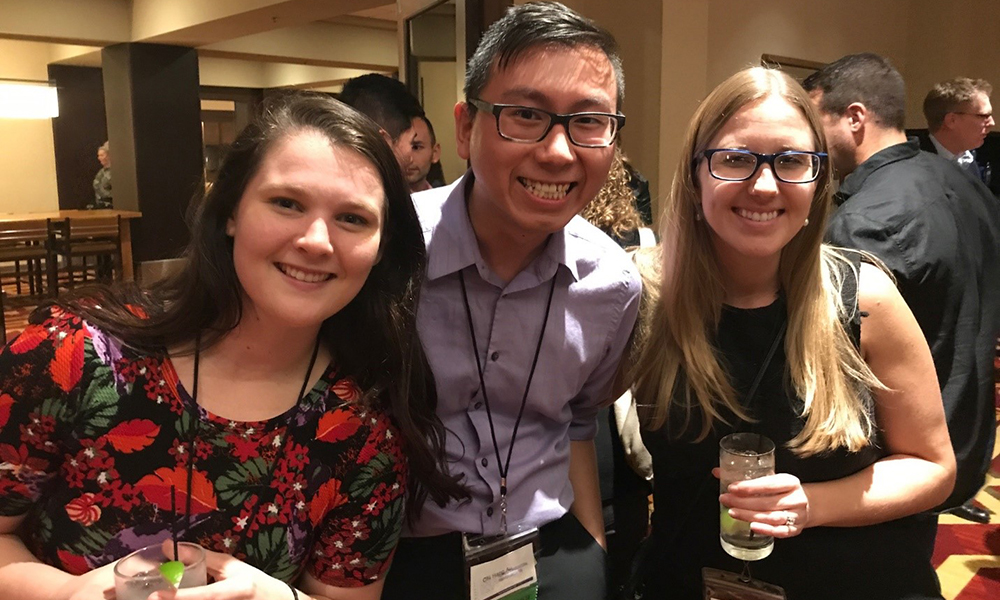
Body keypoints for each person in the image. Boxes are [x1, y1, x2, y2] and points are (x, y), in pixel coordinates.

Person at [0, 93, 467, 600]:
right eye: (287, 203)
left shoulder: (361, 434)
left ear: (380, 249)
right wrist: (68, 595)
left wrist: (276, 597)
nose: (316, 239)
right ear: (230, 214)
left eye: (352, 218)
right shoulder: (70, 357)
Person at [628, 67, 955, 600]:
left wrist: (812, 504)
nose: (763, 185)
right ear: (694, 177)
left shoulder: (864, 296)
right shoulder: (643, 296)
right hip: (685, 580)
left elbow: (933, 466)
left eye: (791, 162)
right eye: (735, 159)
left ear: (820, 179)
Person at [381, 3, 640, 600]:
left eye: (588, 122)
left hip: (550, 542)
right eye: (525, 115)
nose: (557, 152)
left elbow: (578, 423)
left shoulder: (614, 286)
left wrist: (592, 554)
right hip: (398, 554)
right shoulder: (385, 255)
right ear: (466, 128)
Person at [802, 54, 1000, 525]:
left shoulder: (865, 221)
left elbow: (845, 369)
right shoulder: (968, 185)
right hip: (969, 432)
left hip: (899, 459)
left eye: (813, 122)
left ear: (855, 118)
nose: (806, 140)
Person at [917, 77, 997, 193]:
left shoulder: (985, 157)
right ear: (951, 120)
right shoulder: (913, 166)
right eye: (982, 116)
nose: (992, 123)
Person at [401, 115, 443, 193]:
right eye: (400, 148)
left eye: (416, 147)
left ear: (435, 153)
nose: (408, 158)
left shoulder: (446, 202)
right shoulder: (376, 202)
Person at [90, 141, 112, 209]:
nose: (99, 158)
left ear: (108, 156)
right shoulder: (101, 172)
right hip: (100, 206)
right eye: (98, 155)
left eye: (102, 155)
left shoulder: (115, 172)